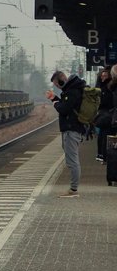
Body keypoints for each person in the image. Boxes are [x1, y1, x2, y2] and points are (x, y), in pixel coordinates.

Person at [48, 69, 88, 197]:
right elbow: (66, 105)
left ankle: (74, 189)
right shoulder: (72, 90)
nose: (57, 87)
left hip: (72, 129)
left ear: (61, 80)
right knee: (71, 158)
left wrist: (54, 102)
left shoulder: (72, 91)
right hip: (71, 128)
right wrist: (55, 98)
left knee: (72, 159)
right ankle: (73, 188)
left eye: (57, 84)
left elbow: (64, 109)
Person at [94, 67, 114, 163]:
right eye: (102, 76)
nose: (103, 78)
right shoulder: (100, 88)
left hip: (107, 114)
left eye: (105, 76)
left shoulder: (109, 87)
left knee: (105, 134)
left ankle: (103, 155)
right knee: (102, 134)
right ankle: (102, 155)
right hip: (103, 115)